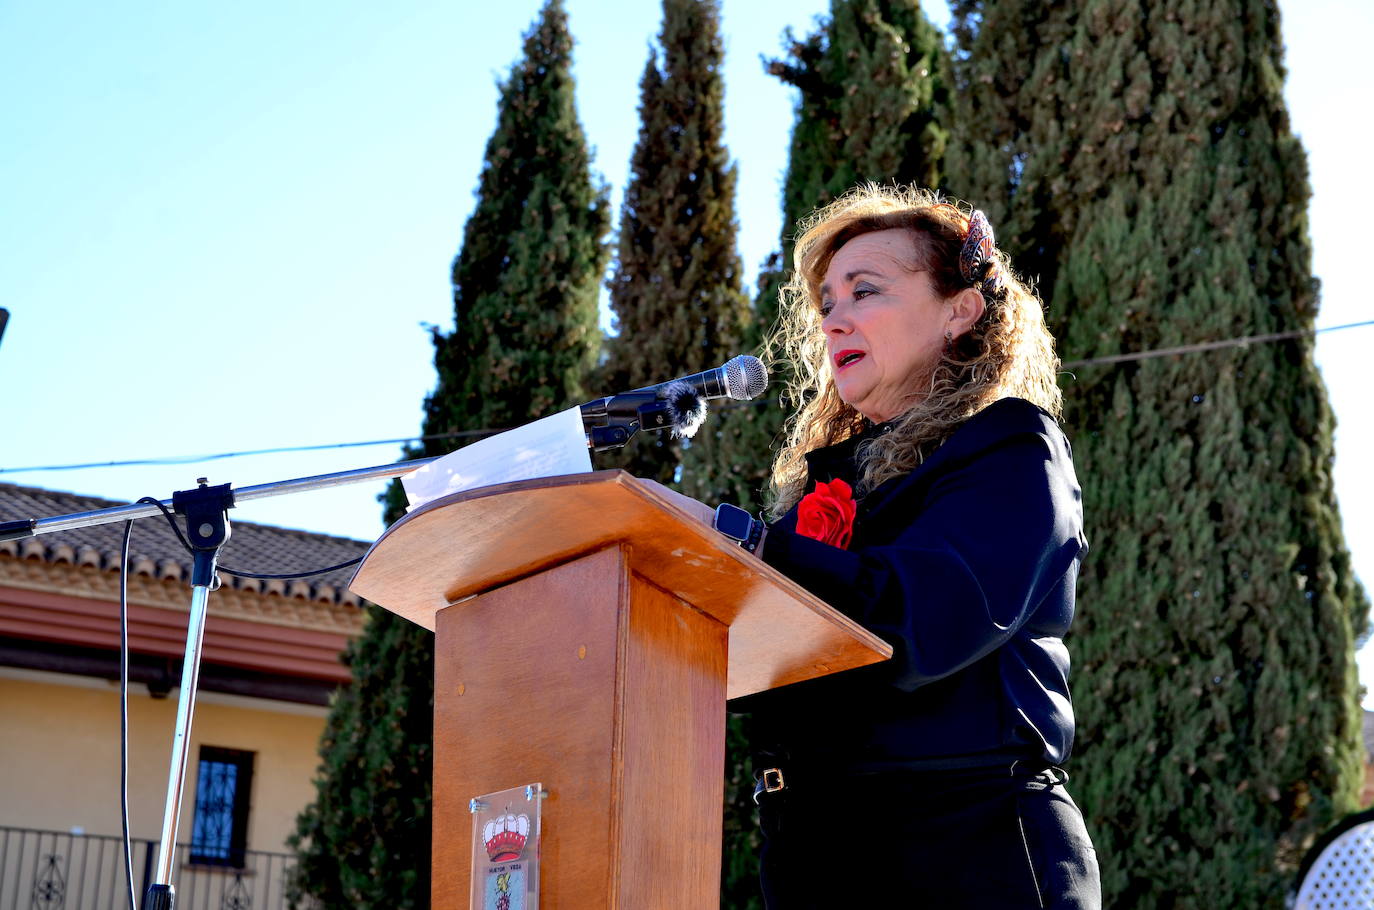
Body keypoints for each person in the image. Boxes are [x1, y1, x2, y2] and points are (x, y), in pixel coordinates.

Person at [656, 184, 1100, 908]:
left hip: (966, 849)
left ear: (960, 310)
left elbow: (917, 620)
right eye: (826, 304)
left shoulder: (1012, 447)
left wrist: (727, 539)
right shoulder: (825, 486)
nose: (834, 321)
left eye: (865, 291)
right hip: (814, 853)